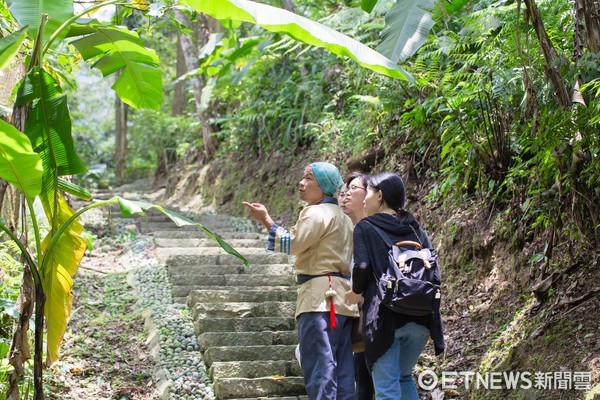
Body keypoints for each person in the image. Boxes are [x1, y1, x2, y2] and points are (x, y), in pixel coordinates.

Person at [243, 162, 358, 400]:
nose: (301, 183)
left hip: (320, 299)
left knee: (320, 366)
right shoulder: (345, 218)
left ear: (324, 186)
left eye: (308, 178)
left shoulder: (316, 213)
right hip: (344, 300)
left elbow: (293, 243)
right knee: (344, 369)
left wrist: (267, 221)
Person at [346, 172, 444, 400]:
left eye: (368, 192)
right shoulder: (415, 228)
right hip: (421, 318)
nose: (364, 199)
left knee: (387, 388)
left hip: (384, 319)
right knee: (403, 377)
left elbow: (360, 267)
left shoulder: (365, 227)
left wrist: (354, 293)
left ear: (379, 196)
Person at [340, 172, 375, 400]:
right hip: (354, 309)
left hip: (370, 310)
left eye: (353, 189)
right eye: (343, 191)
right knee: (359, 370)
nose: (345, 195)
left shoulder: (372, 229)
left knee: (365, 371)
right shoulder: (348, 230)